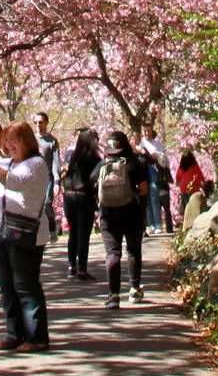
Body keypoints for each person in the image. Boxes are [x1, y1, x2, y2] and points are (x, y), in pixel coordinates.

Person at [0, 121, 51, 351]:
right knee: (6, 286)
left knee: (25, 285)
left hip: (24, 233)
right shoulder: (4, 164)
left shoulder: (36, 164)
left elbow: (15, 182)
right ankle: (14, 334)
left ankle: (37, 337)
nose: (8, 145)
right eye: (6, 141)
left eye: (13, 139)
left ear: (26, 140)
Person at [96, 131, 150, 308]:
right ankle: (134, 288)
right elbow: (143, 189)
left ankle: (113, 295)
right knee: (133, 251)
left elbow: (92, 183)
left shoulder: (102, 164)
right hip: (131, 212)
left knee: (113, 253)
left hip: (108, 215)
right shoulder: (135, 162)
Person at [59, 127, 101, 280]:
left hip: (69, 196)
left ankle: (72, 265)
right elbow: (95, 178)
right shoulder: (94, 158)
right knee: (84, 233)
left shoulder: (73, 157)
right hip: (84, 196)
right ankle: (82, 268)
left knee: (73, 232)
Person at [31, 111, 62, 244]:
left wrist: (57, 181)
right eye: (36, 122)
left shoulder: (52, 141)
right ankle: (37, 232)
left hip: (47, 176)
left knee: (46, 203)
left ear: (46, 123)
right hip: (32, 177)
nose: (38, 125)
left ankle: (52, 229)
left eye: (40, 122)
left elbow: (55, 162)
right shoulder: (31, 139)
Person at [138, 132, 173, 234]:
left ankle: (158, 225)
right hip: (144, 175)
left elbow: (158, 158)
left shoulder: (157, 144)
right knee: (147, 201)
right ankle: (151, 224)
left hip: (154, 173)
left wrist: (149, 153)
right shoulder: (141, 144)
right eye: (144, 131)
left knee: (154, 200)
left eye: (148, 131)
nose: (146, 133)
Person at [175, 149, 209, 215]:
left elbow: (177, 181)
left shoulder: (180, 168)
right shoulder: (195, 167)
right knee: (195, 208)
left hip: (184, 189)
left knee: (187, 207)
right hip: (194, 189)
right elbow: (201, 177)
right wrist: (204, 186)